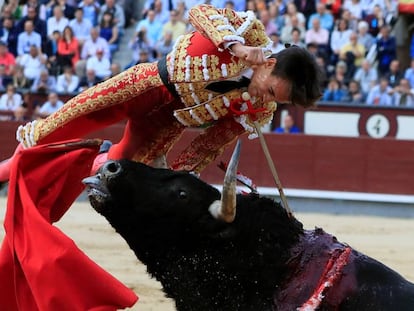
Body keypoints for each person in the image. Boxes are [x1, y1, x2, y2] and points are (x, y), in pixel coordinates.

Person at [0, 4, 322, 181]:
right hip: (146, 85)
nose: (267, 101)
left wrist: (177, 182)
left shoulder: (259, 111)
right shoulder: (248, 32)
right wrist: (236, 46)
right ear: (268, 63)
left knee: (115, 169)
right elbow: (200, 12)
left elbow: (208, 144)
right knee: (56, 127)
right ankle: (4, 172)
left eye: (276, 101)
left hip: (167, 125)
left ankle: (69, 166)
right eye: (269, 90)